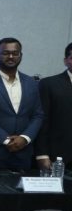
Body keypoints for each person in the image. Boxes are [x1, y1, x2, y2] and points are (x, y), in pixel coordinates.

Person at [0, 38, 44, 170]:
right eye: (5, 53)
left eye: (15, 53)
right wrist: (5, 139)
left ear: (21, 56)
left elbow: (38, 115)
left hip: (23, 153)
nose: (11, 57)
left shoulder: (31, 83)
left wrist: (25, 138)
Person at [36, 42, 72, 171]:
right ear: (66, 61)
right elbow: (41, 120)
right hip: (59, 157)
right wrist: (42, 154)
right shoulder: (49, 84)